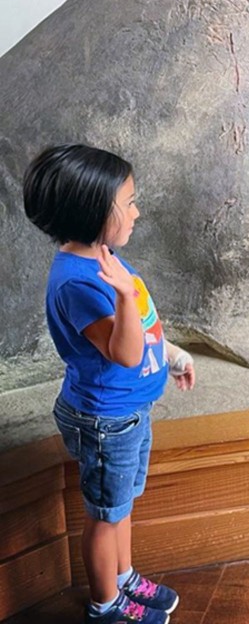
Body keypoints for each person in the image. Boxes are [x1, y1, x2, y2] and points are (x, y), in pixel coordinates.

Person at [23, 144, 196, 624]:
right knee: (105, 515)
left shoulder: (105, 256)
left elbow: (143, 324)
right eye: (130, 202)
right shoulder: (80, 282)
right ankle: (105, 605)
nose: (138, 211)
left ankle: (122, 578)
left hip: (128, 410)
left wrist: (174, 355)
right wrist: (121, 294)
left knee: (121, 505)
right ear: (94, 211)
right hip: (105, 419)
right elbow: (123, 350)